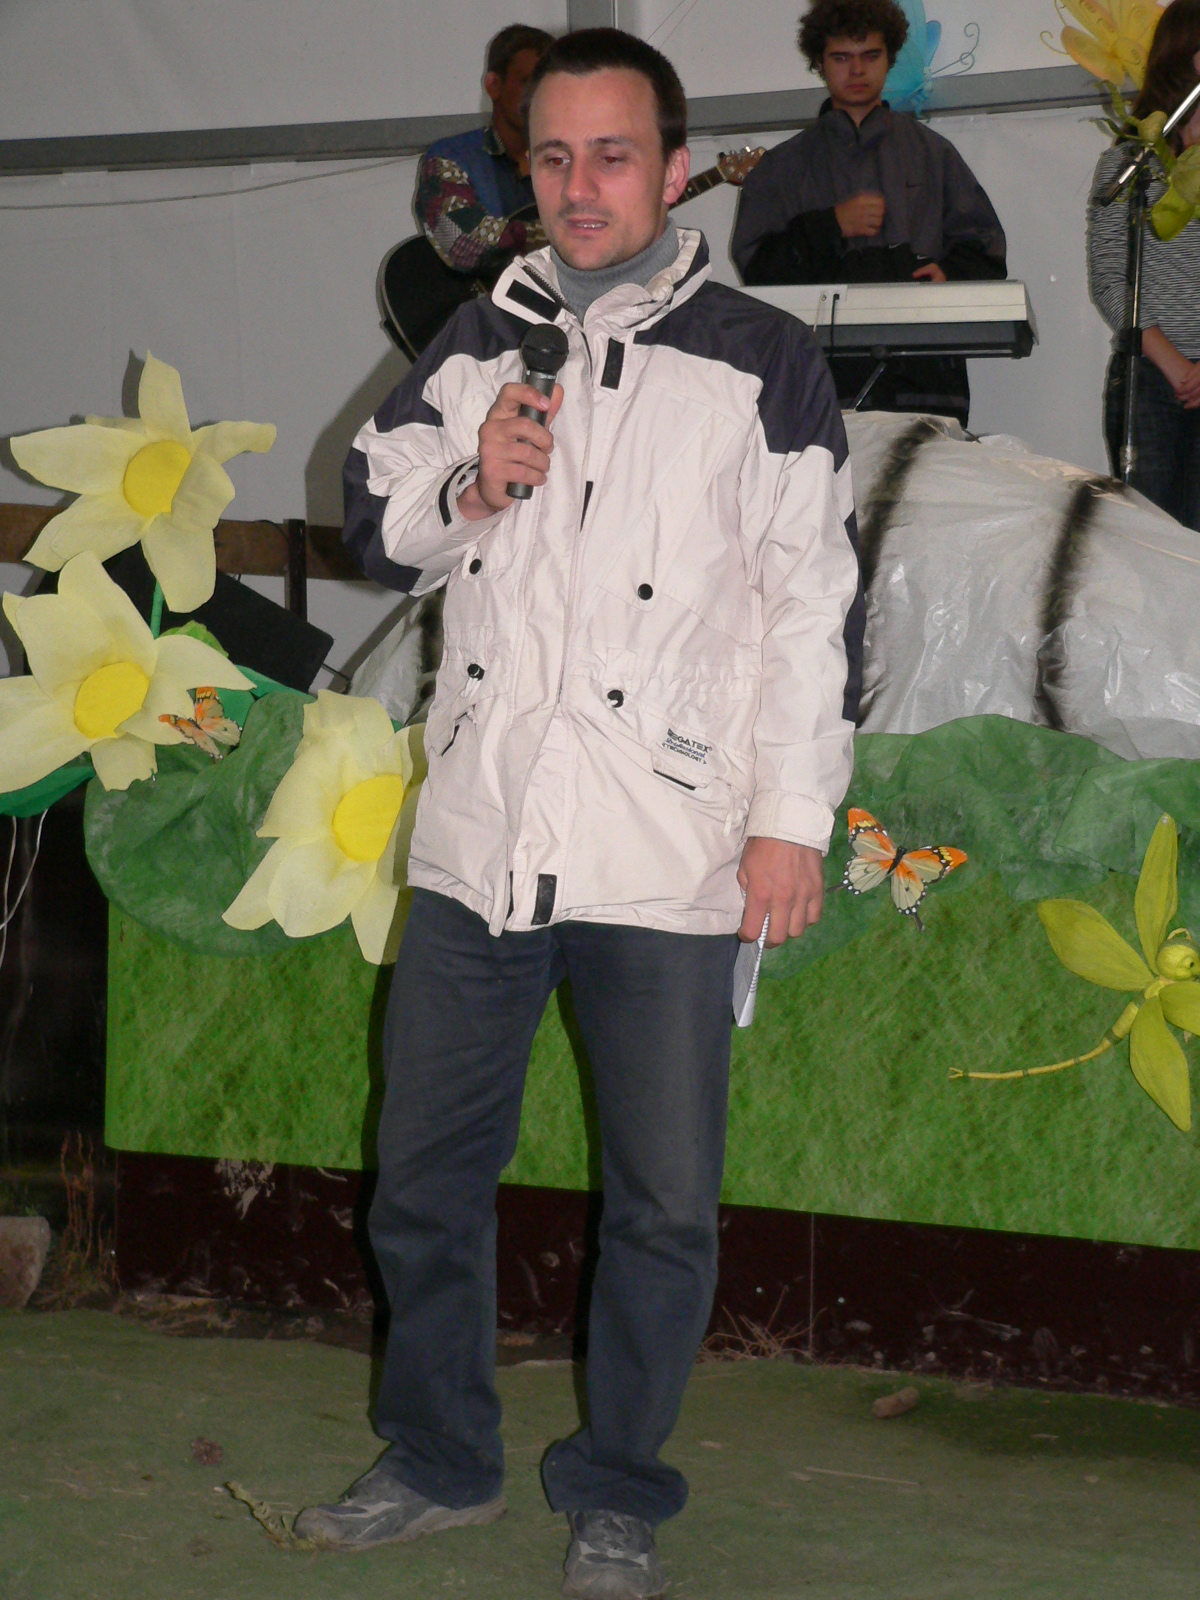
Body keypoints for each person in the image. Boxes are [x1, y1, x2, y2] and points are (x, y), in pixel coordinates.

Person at [303, 27, 862, 1600]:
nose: (581, 185)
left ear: (675, 171)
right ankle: (438, 1458)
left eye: (613, 154)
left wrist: (793, 816)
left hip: (668, 844)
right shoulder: (477, 337)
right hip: (482, 839)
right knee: (423, 1175)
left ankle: (618, 1492)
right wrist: (472, 482)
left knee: (663, 1206)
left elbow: (814, 608)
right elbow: (367, 517)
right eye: (553, 157)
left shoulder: (763, 360)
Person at [730, 0, 1006, 428]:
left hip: (926, 388)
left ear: (890, 59)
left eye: (870, 56)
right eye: (841, 57)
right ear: (819, 63)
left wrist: (950, 274)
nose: (857, 70)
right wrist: (830, 226)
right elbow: (758, 272)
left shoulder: (935, 154)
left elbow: (987, 251)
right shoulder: (781, 168)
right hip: (816, 390)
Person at [1087, 0, 1200, 530]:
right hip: (1150, 378)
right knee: (1152, 543)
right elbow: (1110, 280)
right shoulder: (1130, 164)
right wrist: (1177, 367)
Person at [416, 23, 554, 276]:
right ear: (494, 86)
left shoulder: (573, 161)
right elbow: (462, 241)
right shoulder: (449, 157)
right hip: (488, 301)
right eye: (527, 82)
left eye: (549, 85)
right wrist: (560, 233)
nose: (540, 96)